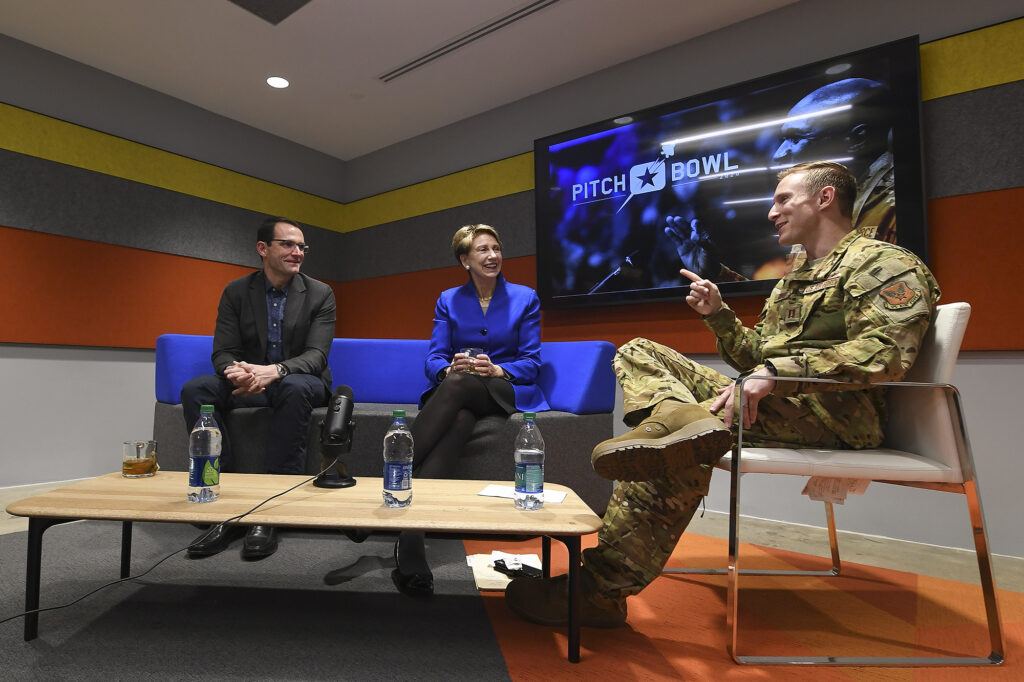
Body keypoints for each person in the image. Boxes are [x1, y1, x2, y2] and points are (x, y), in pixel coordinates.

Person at [505, 161, 940, 627]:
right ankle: (678, 425)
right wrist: (719, 314)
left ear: (825, 198)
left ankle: (598, 591)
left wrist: (780, 370)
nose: (772, 212)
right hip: (776, 404)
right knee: (639, 351)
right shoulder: (795, 276)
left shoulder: (884, 263)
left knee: (678, 448)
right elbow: (753, 355)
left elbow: (887, 355)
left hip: (834, 416)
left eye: (783, 199)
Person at [393, 224, 545, 596]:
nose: (493, 255)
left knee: (458, 387)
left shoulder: (525, 298)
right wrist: (448, 369)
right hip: (460, 390)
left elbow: (532, 362)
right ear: (465, 260)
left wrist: (498, 369)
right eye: (482, 250)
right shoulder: (448, 299)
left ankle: (382, 483)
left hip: (502, 388)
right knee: (459, 415)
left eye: (496, 248)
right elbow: (434, 357)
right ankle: (410, 543)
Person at [181, 217, 336, 560]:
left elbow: (316, 355)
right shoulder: (236, 291)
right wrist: (238, 373)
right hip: (249, 380)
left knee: (294, 387)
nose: (297, 253)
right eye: (288, 245)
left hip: (298, 380)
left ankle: (270, 509)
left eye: (301, 247)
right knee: (195, 390)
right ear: (263, 249)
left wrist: (274, 371)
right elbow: (222, 351)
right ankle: (225, 496)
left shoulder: (320, 293)